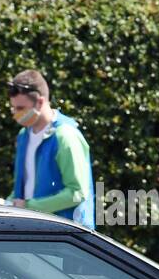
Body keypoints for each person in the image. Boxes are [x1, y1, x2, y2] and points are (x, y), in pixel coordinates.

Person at [5, 70, 95, 228]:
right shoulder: (23, 136)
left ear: (40, 102)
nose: (15, 114)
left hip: (65, 237)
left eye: (20, 108)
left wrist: (29, 207)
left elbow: (77, 193)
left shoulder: (66, 136)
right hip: (33, 229)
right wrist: (5, 205)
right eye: (13, 108)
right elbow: (23, 189)